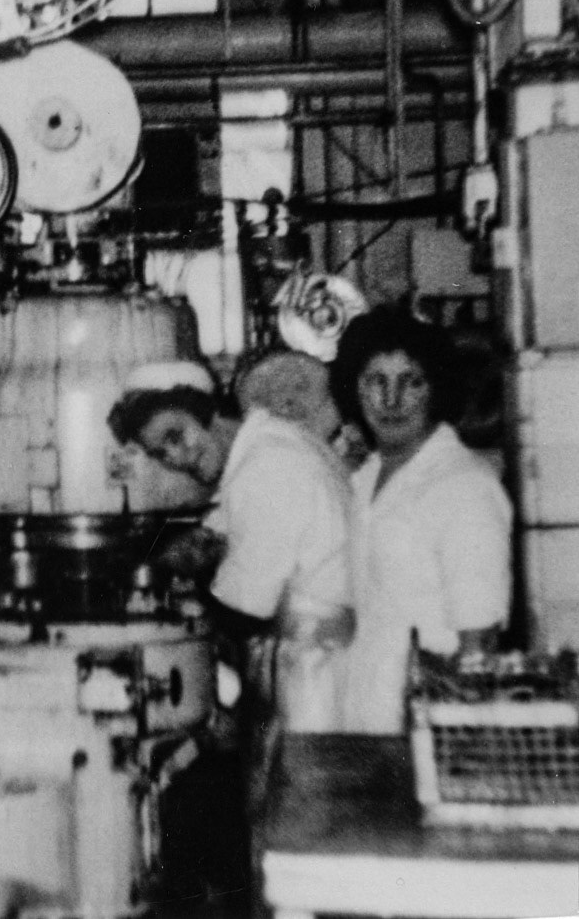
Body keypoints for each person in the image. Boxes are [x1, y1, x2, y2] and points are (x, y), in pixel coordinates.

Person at [108, 356, 355, 737]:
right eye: (161, 453)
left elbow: (243, 611)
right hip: (319, 669)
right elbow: (211, 535)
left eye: (176, 436)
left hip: (322, 686)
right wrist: (160, 559)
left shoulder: (266, 466)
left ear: (207, 413)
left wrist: (169, 608)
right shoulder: (269, 444)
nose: (177, 458)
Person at [330, 307, 513, 734]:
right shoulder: (365, 477)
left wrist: (457, 743)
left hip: (428, 733)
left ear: (436, 390)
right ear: (355, 388)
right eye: (376, 381)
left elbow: (479, 642)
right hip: (364, 724)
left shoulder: (464, 486)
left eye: (411, 382)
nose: (391, 400)